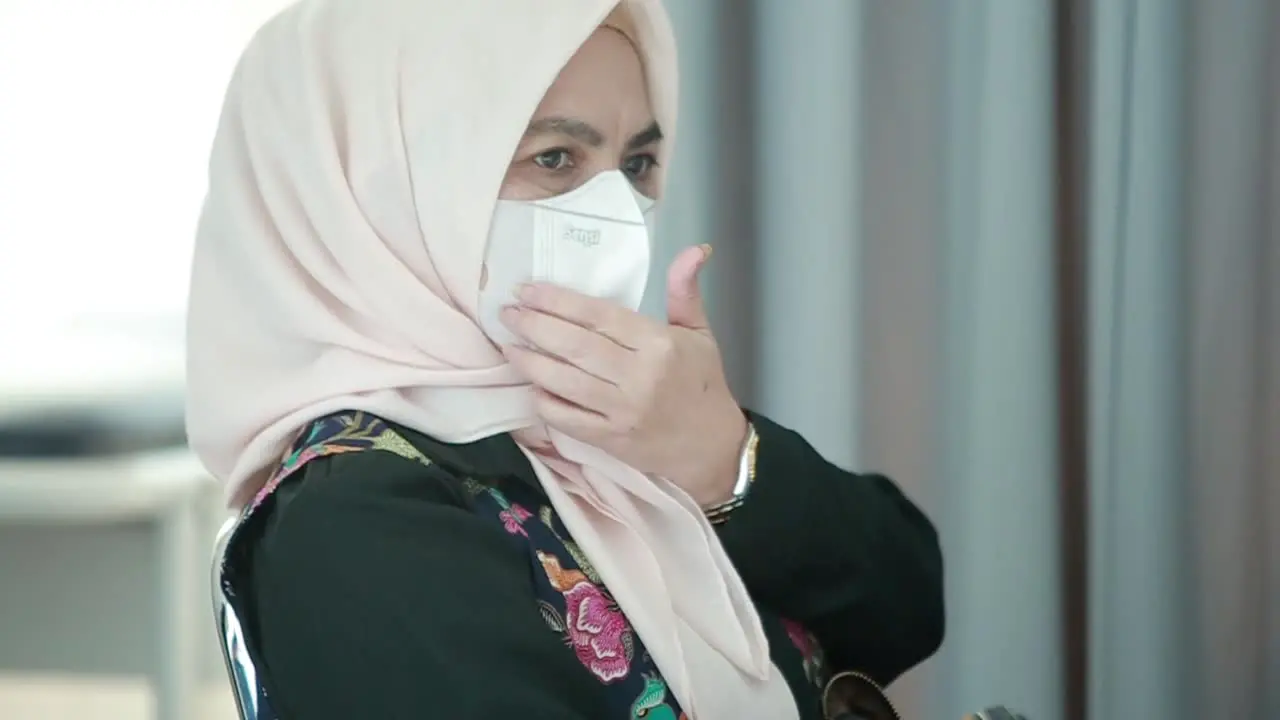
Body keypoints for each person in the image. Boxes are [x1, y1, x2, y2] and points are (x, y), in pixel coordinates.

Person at [188, 0, 944, 718]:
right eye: (554, 157)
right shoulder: (355, 520)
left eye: (638, 164)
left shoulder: (623, 415)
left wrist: (723, 457)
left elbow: (908, 610)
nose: (614, 211)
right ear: (378, 184)